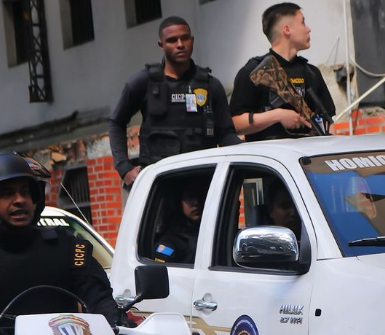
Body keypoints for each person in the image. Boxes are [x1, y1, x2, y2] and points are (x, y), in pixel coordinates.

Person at [109, 16, 242, 187]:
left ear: (192, 40)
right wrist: (124, 168)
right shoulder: (143, 82)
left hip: (203, 181)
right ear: (161, 45)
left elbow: (226, 135)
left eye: (185, 38)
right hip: (160, 185)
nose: (180, 44)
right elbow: (116, 122)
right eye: (172, 40)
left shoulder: (211, 86)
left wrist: (250, 151)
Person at [0, 153, 119, 333]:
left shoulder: (66, 245)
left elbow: (98, 297)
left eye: (25, 192)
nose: (20, 200)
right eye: (7, 193)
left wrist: (114, 323)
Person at [230, 2, 336, 141]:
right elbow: (235, 124)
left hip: (307, 156)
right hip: (269, 158)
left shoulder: (311, 73)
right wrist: (277, 116)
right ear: (287, 30)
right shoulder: (254, 71)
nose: (308, 29)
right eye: (303, 23)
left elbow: (329, 123)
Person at [153, 182, 206, 263]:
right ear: (177, 202)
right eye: (189, 197)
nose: (196, 202)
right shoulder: (168, 244)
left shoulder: (211, 231)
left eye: (200, 196)